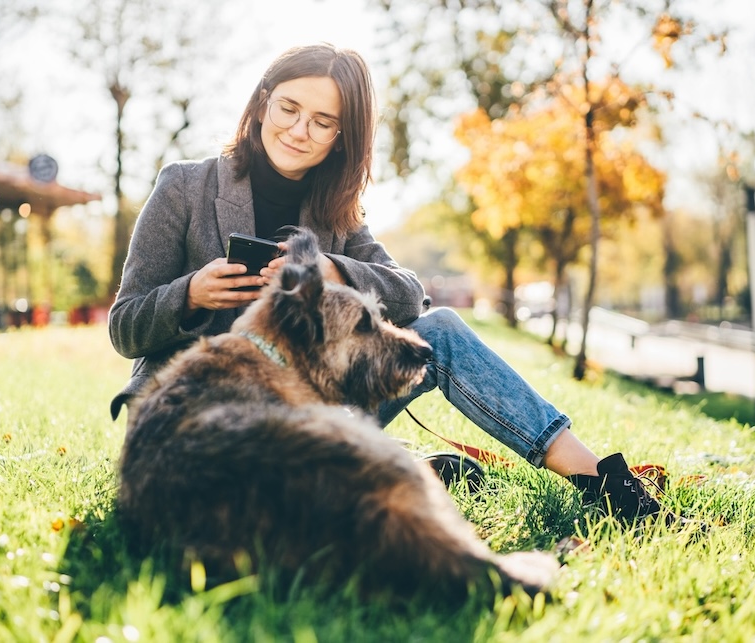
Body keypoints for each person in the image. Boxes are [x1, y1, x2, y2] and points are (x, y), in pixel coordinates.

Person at [108, 43, 673, 524]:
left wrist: (335, 271)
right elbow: (125, 326)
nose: (299, 130)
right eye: (288, 107)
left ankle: (602, 483)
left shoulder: (335, 215)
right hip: (201, 423)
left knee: (442, 329)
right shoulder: (184, 187)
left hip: (310, 409)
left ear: (341, 137)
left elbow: (409, 294)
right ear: (261, 103)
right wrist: (188, 295)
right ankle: (399, 473)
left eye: (323, 121)